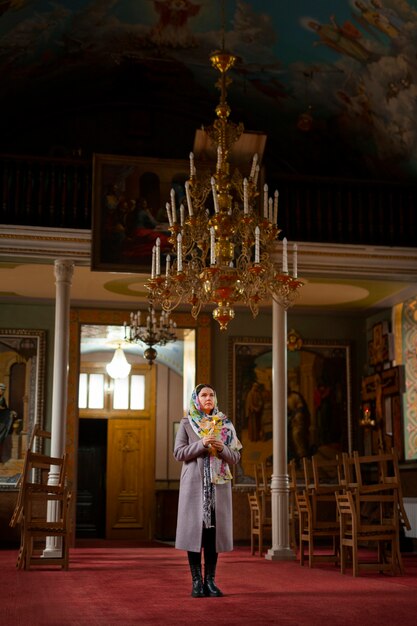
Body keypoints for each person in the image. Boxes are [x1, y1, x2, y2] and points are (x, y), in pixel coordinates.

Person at [174, 384, 242, 598]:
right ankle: (196, 582)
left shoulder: (225, 424)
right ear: (196, 399)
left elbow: (236, 457)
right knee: (195, 534)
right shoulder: (187, 423)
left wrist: (222, 448)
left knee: (212, 536)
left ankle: (210, 582)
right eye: (203, 395)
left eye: (211, 394)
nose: (208, 397)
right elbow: (178, 453)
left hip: (218, 487)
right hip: (194, 487)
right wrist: (202, 443)